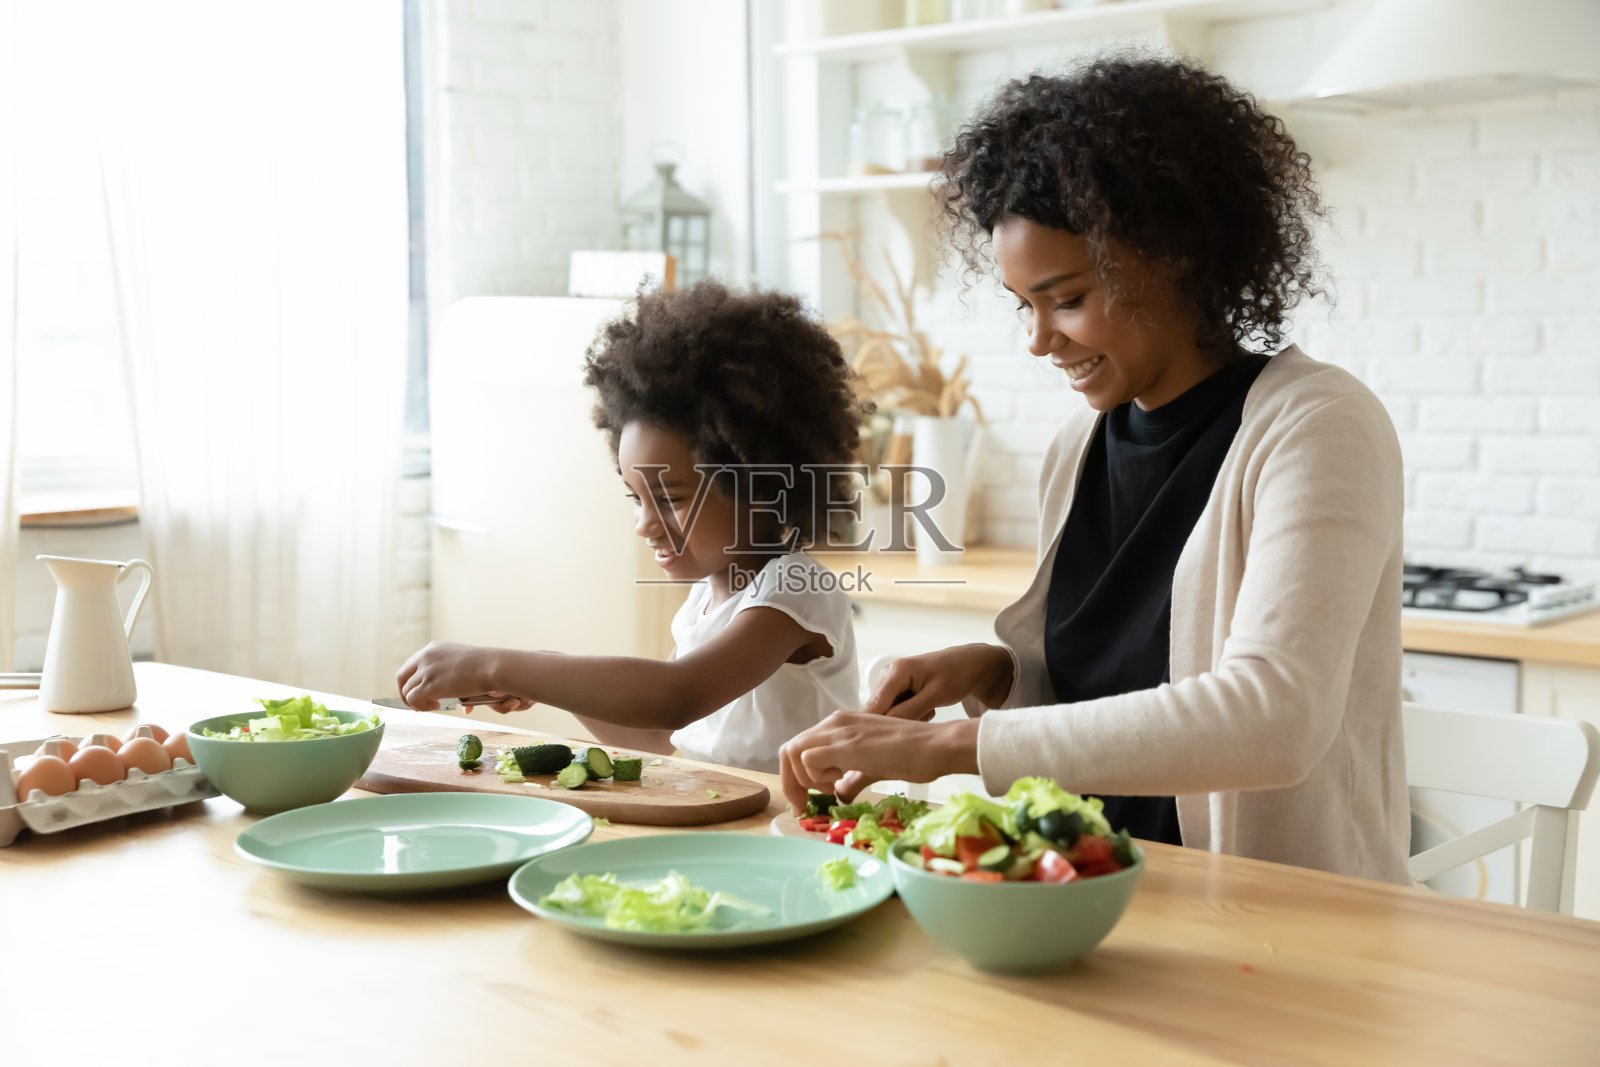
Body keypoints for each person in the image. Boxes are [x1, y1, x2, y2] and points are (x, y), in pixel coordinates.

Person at [779, 55, 1412, 883]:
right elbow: (1097, 697)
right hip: (1088, 894)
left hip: (1276, 919)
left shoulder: (1318, 425)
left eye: (1067, 298)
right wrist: (994, 673)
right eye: (1025, 306)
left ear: (1176, 254)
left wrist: (947, 744)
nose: (1041, 340)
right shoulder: (1077, 448)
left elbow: (1273, 716)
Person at [399, 281, 866, 774]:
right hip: (736, 820)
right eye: (636, 497)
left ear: (759, 487)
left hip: (799, 831)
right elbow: (663, 734)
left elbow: (676, 696)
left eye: (670, 499)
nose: (645, 525)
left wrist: (498, 664)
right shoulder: (708, 598)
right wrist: (543, 675)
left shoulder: (795, 594)